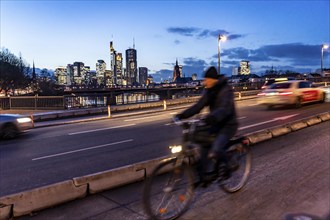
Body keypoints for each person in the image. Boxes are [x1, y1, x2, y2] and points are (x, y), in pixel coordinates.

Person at [175, 66, 238, 186]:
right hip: (215, 123)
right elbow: (198, 106)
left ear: (213, 80)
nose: (204, 82)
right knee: (203, 144)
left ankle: (227, 169)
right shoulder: (209, 90)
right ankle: (204, 176)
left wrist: (212, 117)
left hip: (228, 125)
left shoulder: (226, 90)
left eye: (206, 80)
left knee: (216, 148)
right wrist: (182, 115)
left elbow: (224, 109)